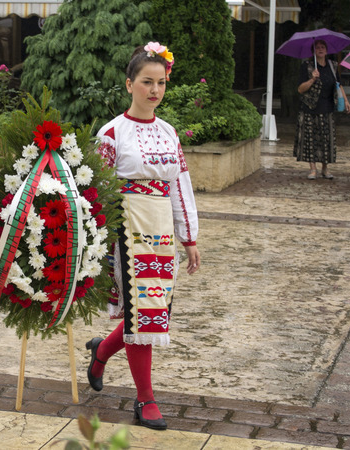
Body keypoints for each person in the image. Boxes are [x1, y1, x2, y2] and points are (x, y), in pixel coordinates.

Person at [86, 43, 201, 431]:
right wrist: (97, 240)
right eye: (147, 82)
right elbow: (97, 190)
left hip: (161, 230)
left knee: (154, 310)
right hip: (127, 229)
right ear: (129, 84)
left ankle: (101, 352)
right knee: (143, 312)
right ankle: (145, 399)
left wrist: (189, 237)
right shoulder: (111, 133)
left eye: (161, 83)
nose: (155, 90)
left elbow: (179, 185)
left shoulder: (169, 132)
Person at [293, 39, 350, 180]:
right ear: (313, 51)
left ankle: (325, 169)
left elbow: (338, 84)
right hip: (310, 108)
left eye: (323, 47)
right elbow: (300, 89)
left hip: (327, 107)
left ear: (326, 50)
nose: (320, 49)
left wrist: (346, 100)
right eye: (317, 47)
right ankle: (313, 169)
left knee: (327, 140)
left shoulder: (332, 66)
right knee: (310, 140)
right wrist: (312, 79)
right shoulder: (307, 66)